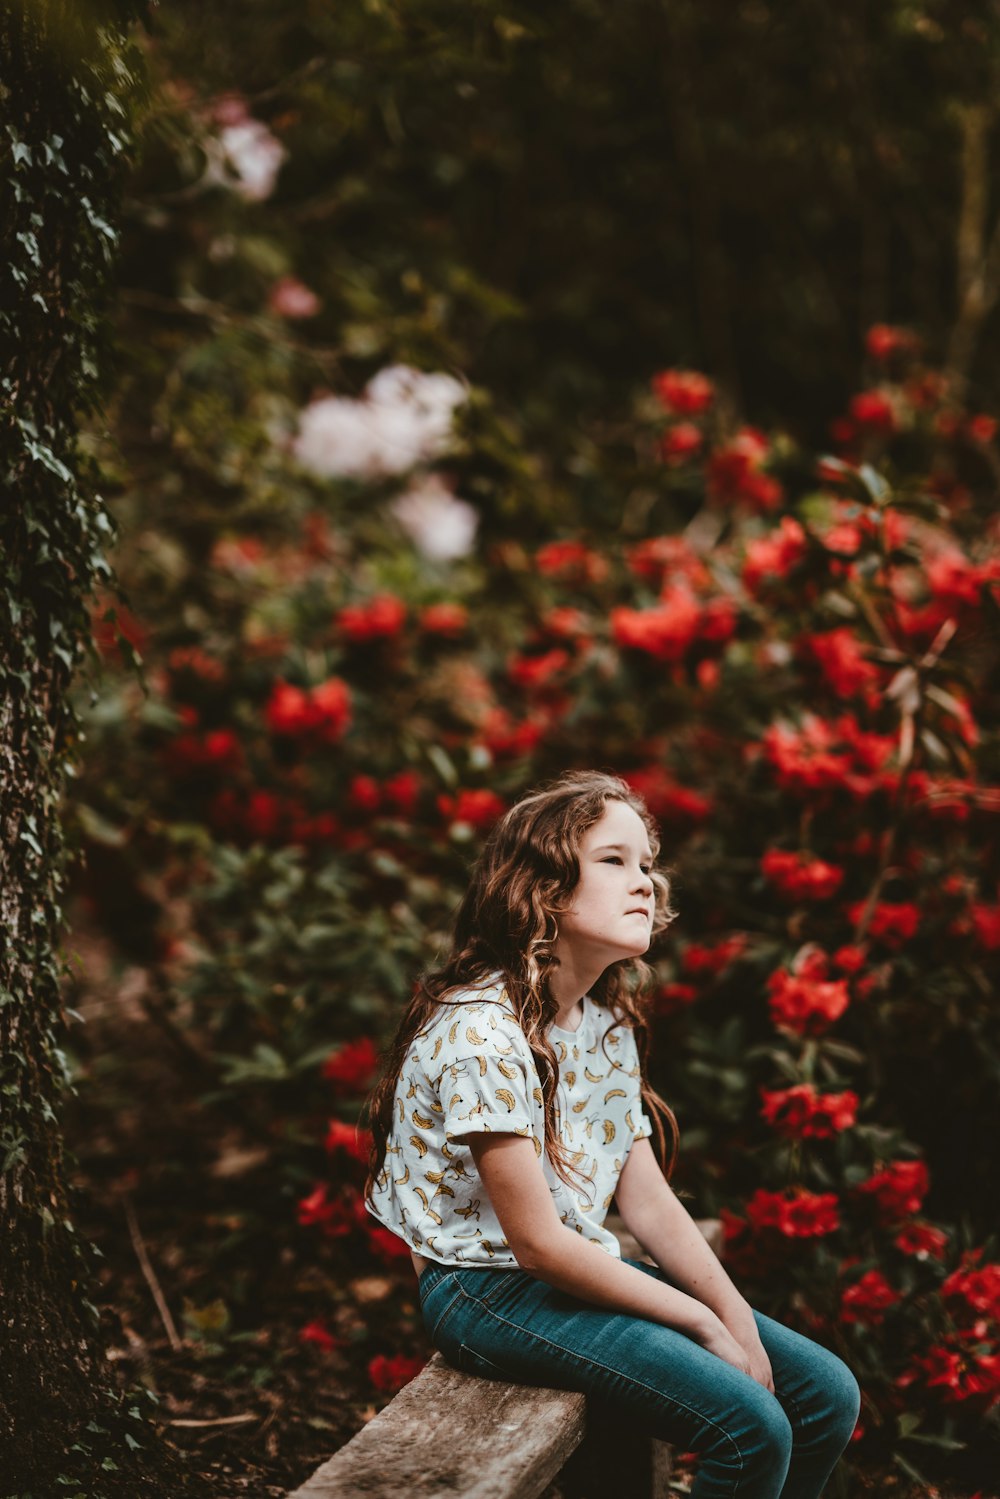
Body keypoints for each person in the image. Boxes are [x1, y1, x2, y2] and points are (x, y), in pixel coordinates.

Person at [364, 769, 860, 1498]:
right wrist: (701, 1322)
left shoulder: (603, 1024)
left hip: (569, 1271)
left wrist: (732, 1317)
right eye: (614, 860)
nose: (645, 884)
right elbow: (534, 1244)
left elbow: (650, 1202)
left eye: (648, 865)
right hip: (483, 1292)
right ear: (545, 887)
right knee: (750, 1428)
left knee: (825, 1396)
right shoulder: (482, 1030)